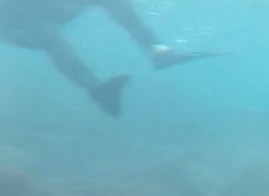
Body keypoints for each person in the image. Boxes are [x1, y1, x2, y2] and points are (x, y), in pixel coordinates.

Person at [0, 0, 211, 116]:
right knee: (51, 38)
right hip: (10, 25)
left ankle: (159, 52)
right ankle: (96, 89)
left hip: (38, 18)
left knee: (116, 4)